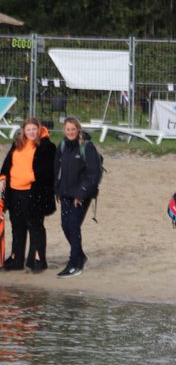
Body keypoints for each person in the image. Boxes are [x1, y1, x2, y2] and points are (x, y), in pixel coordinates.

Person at [1, 118, 55, 273]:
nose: (31, 132)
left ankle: (38, 259)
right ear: (23, 131)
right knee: (17, 226)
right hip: (14, 191)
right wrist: (2, 178)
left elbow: (48, 170)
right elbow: (7, 164)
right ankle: (16, 258)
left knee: (35, 226)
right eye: (28, 129)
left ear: (39, 129)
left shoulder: (46, 147)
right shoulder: (17, 144)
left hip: (34, 192)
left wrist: (30, 177)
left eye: (34, 129)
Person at [52, 116, 101, 277]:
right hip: (65, 193)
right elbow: (57, 170)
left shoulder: (87, 147)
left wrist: (81, 193)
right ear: (64, 130)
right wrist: (57, 190)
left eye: (73, 129)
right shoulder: (62, 146)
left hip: (82, 195)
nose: (71, 132)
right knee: (65, 226)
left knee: (73, 226)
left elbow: (94, 174)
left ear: (78, 129)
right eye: (68, 129)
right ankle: (80, 256)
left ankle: (74, 264)